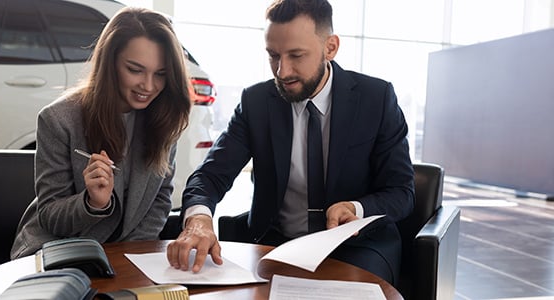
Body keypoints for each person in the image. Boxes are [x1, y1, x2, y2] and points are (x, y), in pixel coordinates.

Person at [166, 0, 415, 285]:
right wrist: (198, 219)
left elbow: (401, 192)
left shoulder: (377, 98)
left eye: (296, 56)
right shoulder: (256, 102)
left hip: (358, 249)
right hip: (275, 246)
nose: (282, 71)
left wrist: (356, 208)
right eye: (274, 56)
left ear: (330, 47)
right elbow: (210, 176)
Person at [10, 7, 192, 259]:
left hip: (125, 256)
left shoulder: (163, 117)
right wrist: (92, 204)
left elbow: (160, 200)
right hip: (56, 251)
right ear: (111, 62)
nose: (149, 86)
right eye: (135, 70)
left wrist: (132, 256)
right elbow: (49, 216)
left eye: (160, 74)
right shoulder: (58, 119)